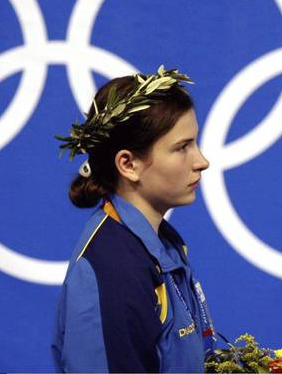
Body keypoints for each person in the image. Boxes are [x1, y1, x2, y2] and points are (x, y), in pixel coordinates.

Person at [51, 66, 216, 373]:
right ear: (128, 164)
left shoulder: (162, 246)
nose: (202, 161)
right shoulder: (112, 269)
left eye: (195, 143)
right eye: (182, 147)